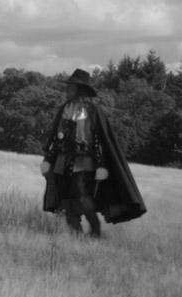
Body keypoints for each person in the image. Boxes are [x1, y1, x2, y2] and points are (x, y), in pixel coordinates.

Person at [39, 69, 146, 236]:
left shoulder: (93, 111)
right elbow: (55, 137)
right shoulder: (64, 110)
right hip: (62, 161)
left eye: (71, 87)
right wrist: (48, 159)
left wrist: (102, 165)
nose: (67, 90)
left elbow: (99, 140)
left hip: (84, 162)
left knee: (83, 197)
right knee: (66, 199)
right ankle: (76, 236)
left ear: (79, 89)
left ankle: (95, 231)